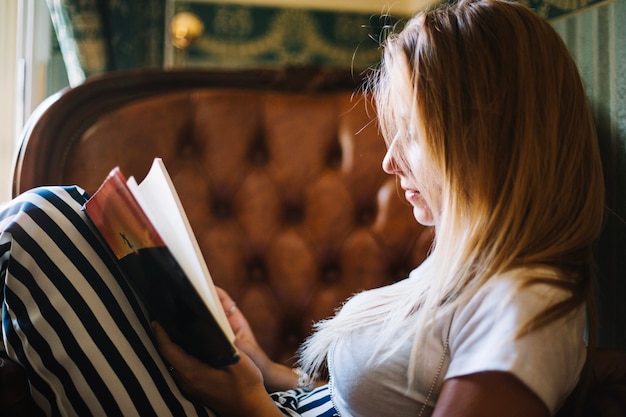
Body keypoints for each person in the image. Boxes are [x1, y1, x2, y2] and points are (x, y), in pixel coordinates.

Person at [0, 0, 604, 416]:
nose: (391, 164)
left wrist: (250, 406)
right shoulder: (469, 269)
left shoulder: (528, 305)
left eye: (411, 135)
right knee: (70, 222)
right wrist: (257, 366)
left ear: (484, 136)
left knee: (41, 222)